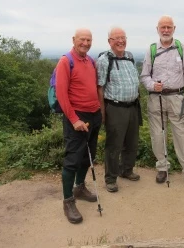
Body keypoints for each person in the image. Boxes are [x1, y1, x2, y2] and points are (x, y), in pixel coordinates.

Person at [140, 15, 184, 190]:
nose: (166, 30)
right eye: (163, 27)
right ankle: (162, 167)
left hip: (177, 98)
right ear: (157, 29)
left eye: (169, 27)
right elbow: (144, 76)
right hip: (156, 98)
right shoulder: (151, 50)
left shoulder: (181, 48)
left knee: (181, 135)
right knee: (157, 135)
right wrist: (153, 85)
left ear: (174, 29)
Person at [56, 28, 102, 224]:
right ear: (74, 40)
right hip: (76, 116)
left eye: (89, 40)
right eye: (82, 39)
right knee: (73, 159)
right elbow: (61, 94)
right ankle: (68, 201)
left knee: (88, 156)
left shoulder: (90, 61)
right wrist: (74, 119)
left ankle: (80, 187)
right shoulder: (66, 61)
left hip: (93, 115)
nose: (85, 43)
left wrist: (99, 113)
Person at [97, 27, 141, 193]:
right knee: (114, 145)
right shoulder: (104, 60)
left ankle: (126, 170)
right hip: (115, 107)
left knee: (132, 142)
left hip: (132, 106)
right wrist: (102, 111)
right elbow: (99, 87)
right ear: (109, 41)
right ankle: (110, 178)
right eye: (116, 38)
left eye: (123, 38)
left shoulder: (129, 57)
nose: (121, 41)